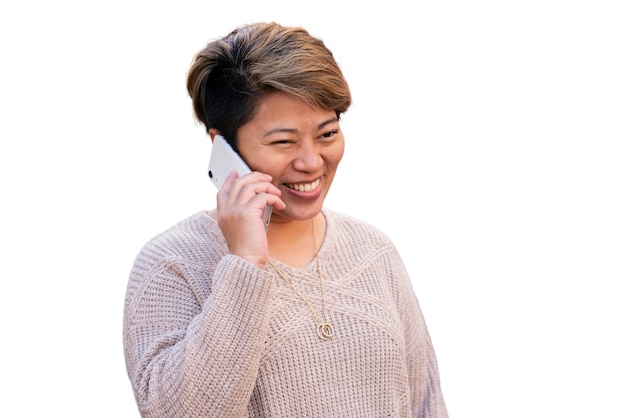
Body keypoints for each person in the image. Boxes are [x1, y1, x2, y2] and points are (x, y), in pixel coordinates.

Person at [123, 21, 448, 418]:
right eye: (283, 142)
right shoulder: (171, 265)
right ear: (222, 147)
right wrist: (244, 264)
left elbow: (426, 404)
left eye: (327, 134)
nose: (311, 162)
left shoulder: (374, 250)